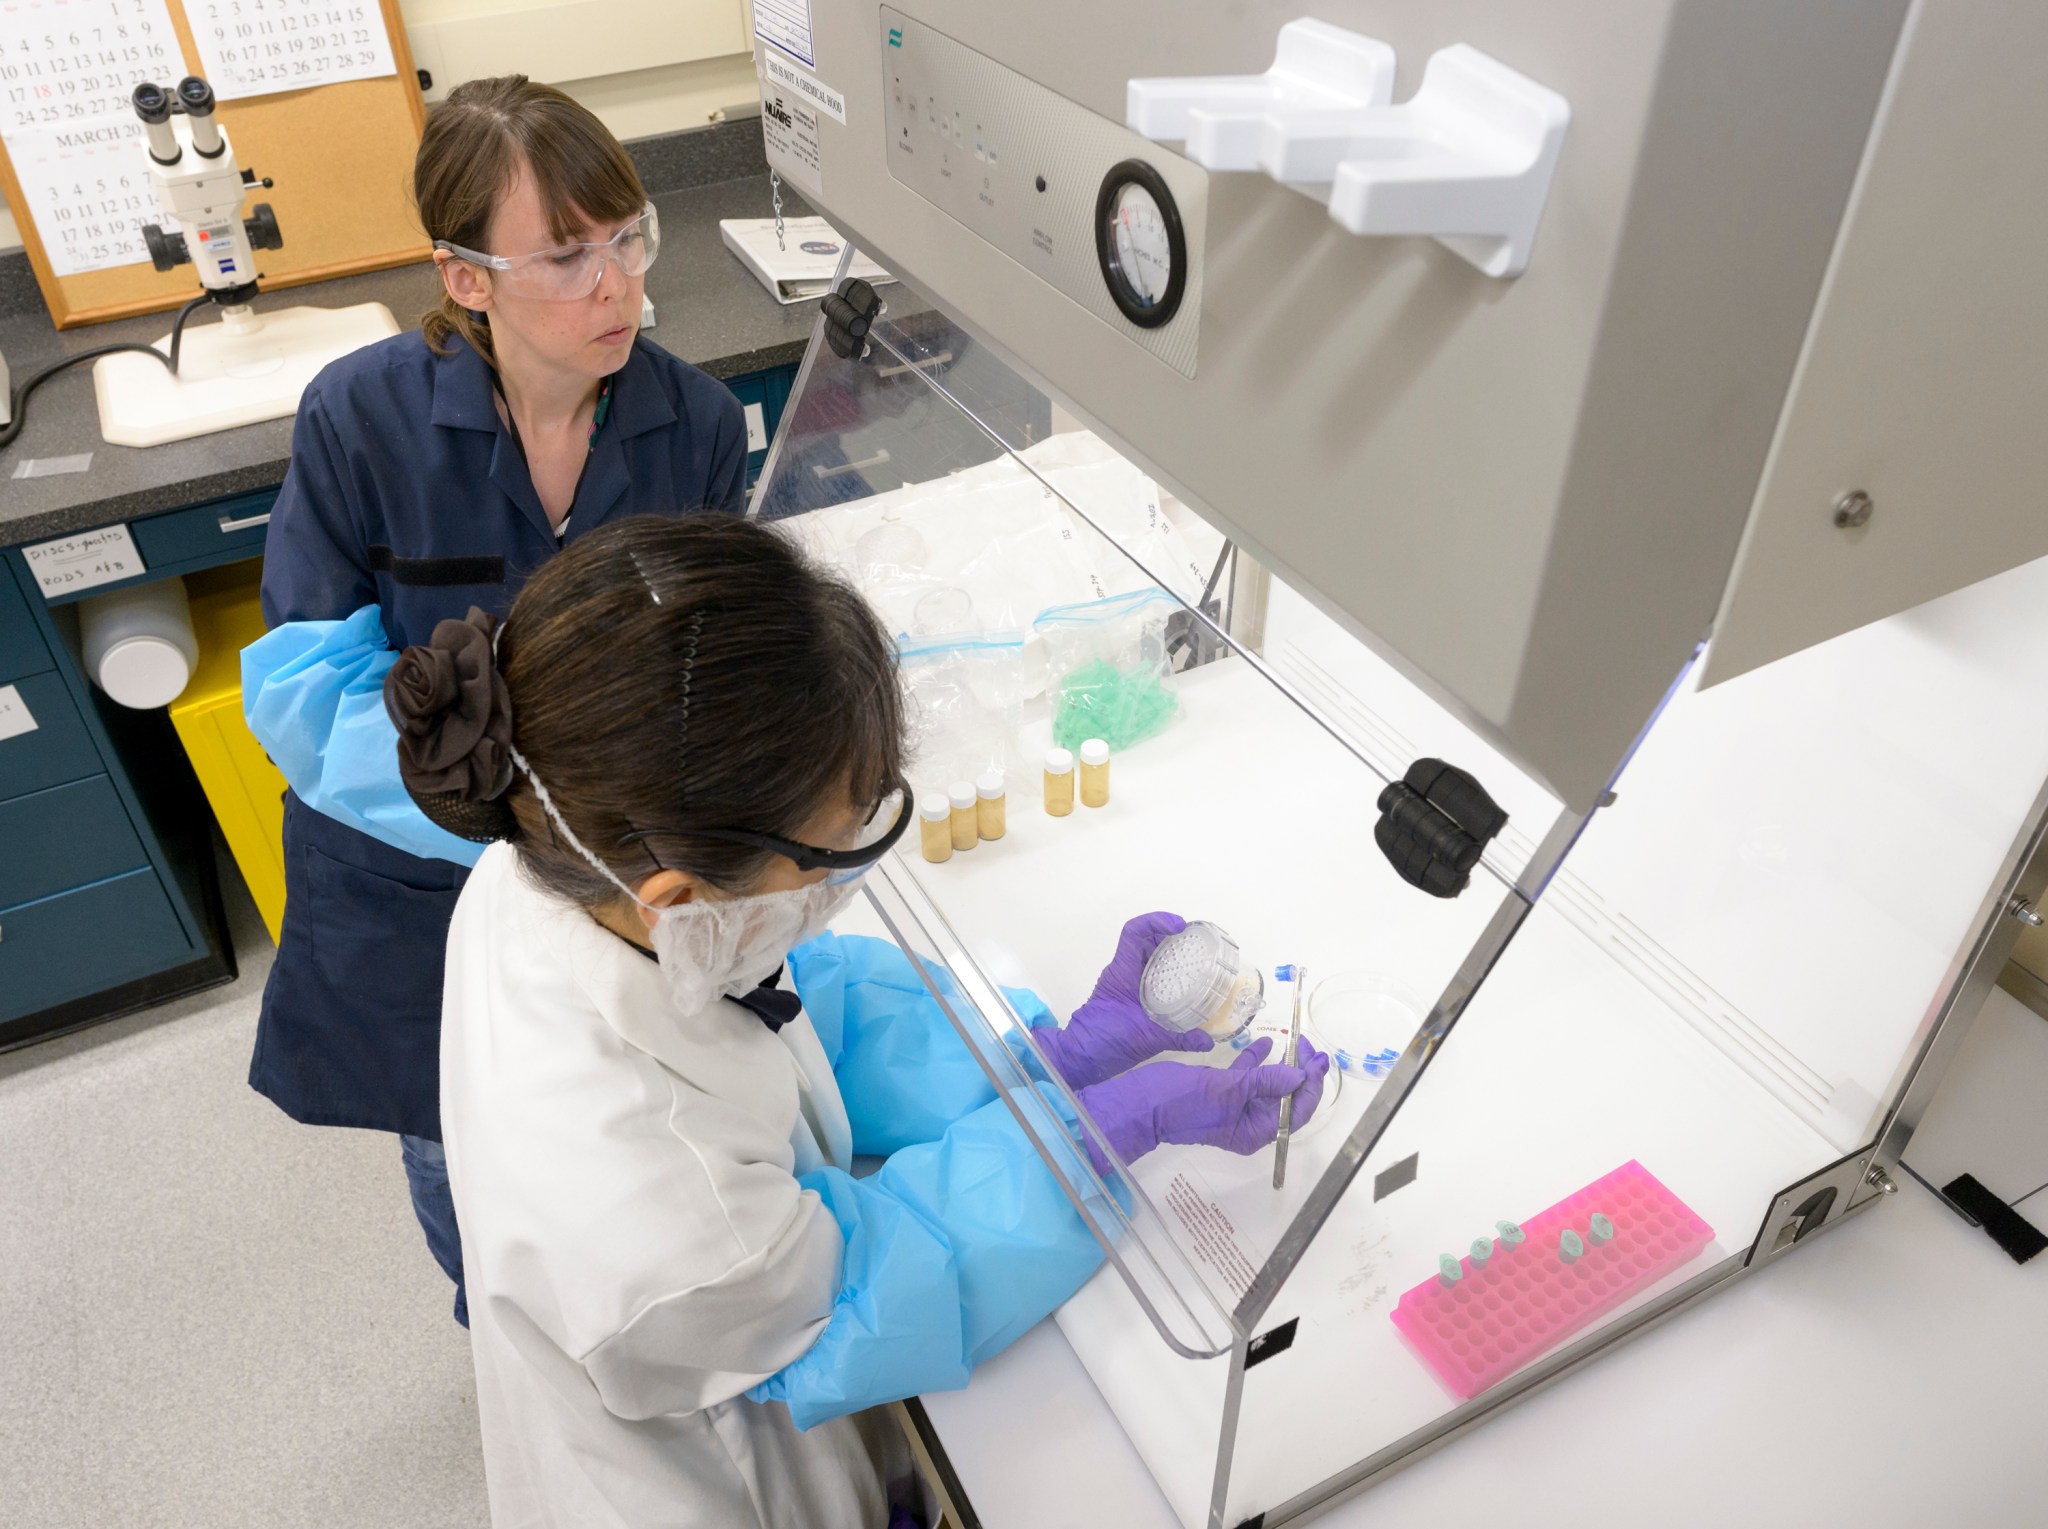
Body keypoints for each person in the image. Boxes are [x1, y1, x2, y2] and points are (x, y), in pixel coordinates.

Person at [384, 515, 1329, 1527]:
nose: (839, 881)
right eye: (831, 854)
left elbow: (794, 1015)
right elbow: (880, 1283)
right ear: (683, 893)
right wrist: (1095, 1134)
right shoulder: (656, 1207)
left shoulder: (556, 854)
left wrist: (1039, 1058)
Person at [240, 76, 750, 1328]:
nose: (616, 284)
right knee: (457, 1145)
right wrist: (507, 820)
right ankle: (508, 1339)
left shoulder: (689, 419)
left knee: (632, 1129)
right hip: (416, 888)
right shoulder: (360, 418)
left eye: (628, 238)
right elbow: (308, 689)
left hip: (625, 878)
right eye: (568, 256)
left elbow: (716, 657)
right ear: (465, 277)